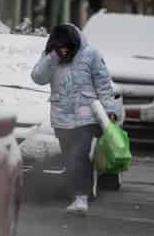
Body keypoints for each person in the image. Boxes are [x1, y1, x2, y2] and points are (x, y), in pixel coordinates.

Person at [31, 23, 118, 215]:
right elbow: (38, 77)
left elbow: (103, 84)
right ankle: (76, 196)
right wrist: (52, 57)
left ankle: (81, 198)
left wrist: (110, 110)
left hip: (86, 117)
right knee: (70, 159)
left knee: (79, 155)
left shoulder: (91, 54)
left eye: (66, 47)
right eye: (59, 48)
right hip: (61, 117)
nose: (64, 51)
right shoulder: (51, 56)